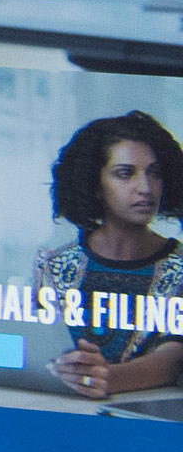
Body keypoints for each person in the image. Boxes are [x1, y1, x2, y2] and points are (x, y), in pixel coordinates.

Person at [41, 110, 183, 399]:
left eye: (155, 173)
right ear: (95, 185)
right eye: (124, 173)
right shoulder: (55, 264)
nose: (145, 188)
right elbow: (40, 350)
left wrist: (108, 378)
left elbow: (173, 359)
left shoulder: (179, 268)